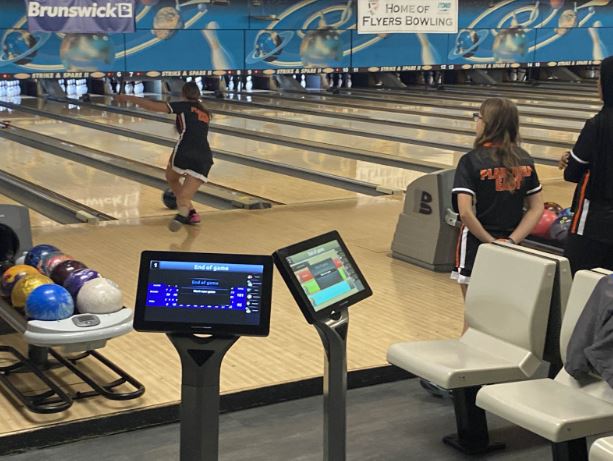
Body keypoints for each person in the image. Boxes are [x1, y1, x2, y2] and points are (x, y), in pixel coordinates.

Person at [452, 97, 544, 308]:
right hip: (513, 246)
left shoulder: (471, 160)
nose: (476, 121)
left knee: (474, 315)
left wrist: (490, 243)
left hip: (476, 246)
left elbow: (465, 212)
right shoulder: (524, 159)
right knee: (503, 313)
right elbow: (536, 208)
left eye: (479, 117)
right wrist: (511, 242)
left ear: (487, 124)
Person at [115, 82, 213, 232]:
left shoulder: (183, 106)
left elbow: (152, 106)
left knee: (172, 178)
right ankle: (188, 213)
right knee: (185, 196)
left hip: (184, 151)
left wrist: (128, 97)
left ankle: (187, 212)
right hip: (205, 157)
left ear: (183, 94)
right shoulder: (206, 112)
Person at [559, 56, 613, 274]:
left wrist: (569, 159)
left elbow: (572, 173)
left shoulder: (596, 125)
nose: (596, 83)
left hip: (592, 225)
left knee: (578, 284)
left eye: (600, 77)